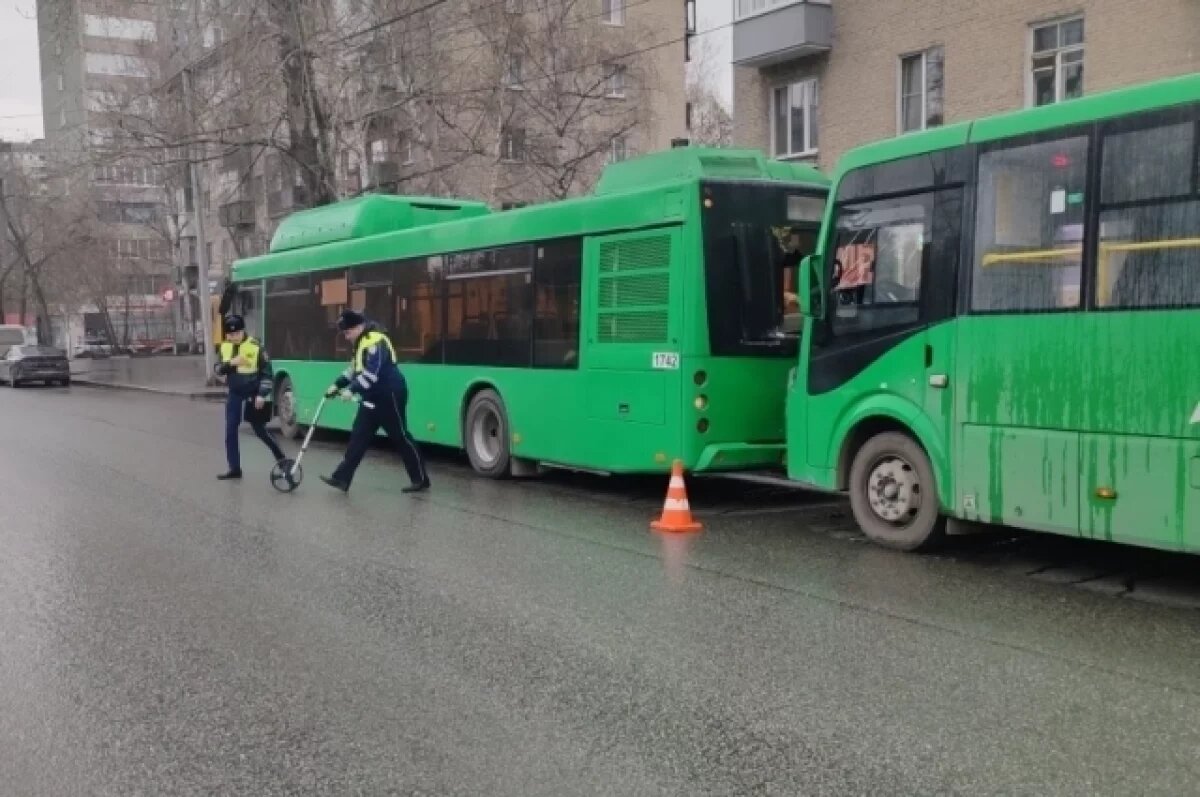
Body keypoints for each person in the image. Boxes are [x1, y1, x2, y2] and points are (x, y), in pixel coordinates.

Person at [320, 309, 430, 494]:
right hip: (371, 395)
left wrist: (351, 390)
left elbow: (372, 373)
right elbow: (354, 369)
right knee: (358, 436)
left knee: (400, 436)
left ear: (358, 327)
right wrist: (337, 385)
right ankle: (341, 478)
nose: (346, 337)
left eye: (347, 333)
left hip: (389, 394)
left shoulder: (375, 341)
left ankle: (420, 479)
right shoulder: (361, 342)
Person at [214, 314, 288, 480]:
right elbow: (218, 369)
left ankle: (282, 459)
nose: (234, 337)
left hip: (253, 392)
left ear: (243, 331)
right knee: (230, 429)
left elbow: (267, 373)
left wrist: (262, 394)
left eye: (237, 334)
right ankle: (234, 468)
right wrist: (231, 364)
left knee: (259, 429)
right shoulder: (225, 347)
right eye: (230, 335)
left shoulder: (256, 347)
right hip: (235, 392)